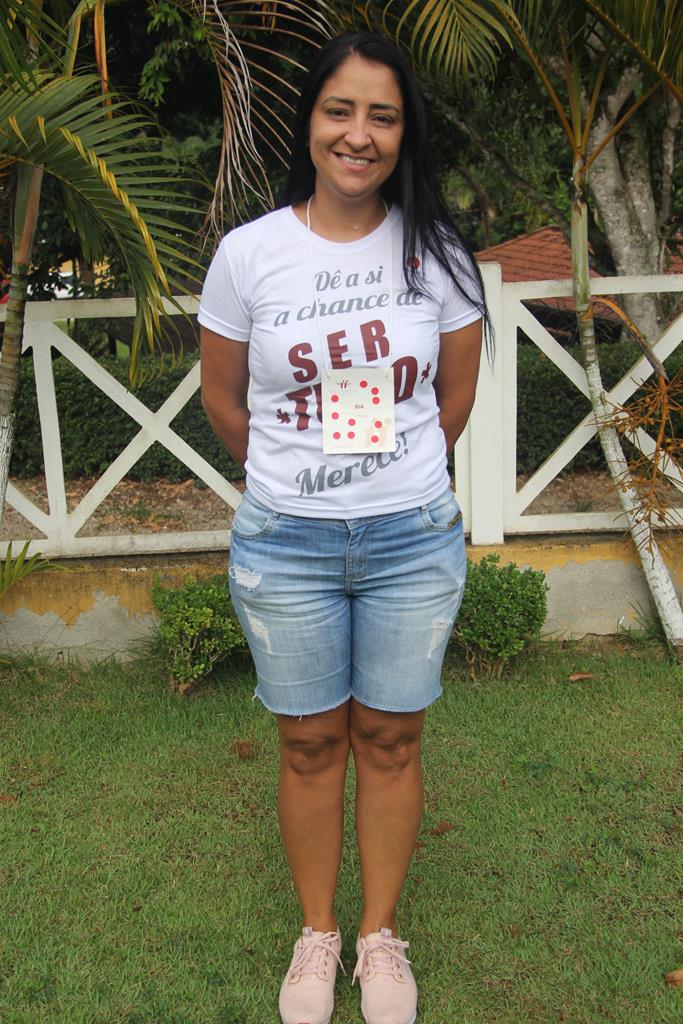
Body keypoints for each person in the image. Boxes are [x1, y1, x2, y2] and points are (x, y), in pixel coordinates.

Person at [199, 30, 490, 1024]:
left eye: (382, 116)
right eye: (340, 110)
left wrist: (390, 478)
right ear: (309, 122)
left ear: (404, 135)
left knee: (391, 738)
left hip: (411, 537)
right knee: (311, 743)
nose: (358, 135)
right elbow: (223, 400)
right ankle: (317, 934)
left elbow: (450, 403)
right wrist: (299, 480)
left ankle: (378, 936)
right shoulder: (249, 255)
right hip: (286, 542)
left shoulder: (437, 255)